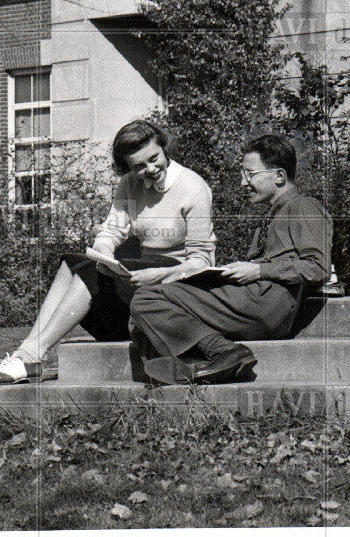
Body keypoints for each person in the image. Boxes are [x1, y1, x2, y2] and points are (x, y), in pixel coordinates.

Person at [0, 119, 216, 385]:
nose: (150, 169)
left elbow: (201, 261)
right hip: (141, 278)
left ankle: (32, 355)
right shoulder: (129, 184)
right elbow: (112, 231)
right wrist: (104, 252)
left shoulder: (193, 188)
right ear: (128, 167)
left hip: (175, 288)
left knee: (89, 274)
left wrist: (157, 274)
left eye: (154, 158)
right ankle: (27, 353)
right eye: (138, 166)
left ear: (164, 147)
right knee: (74, 263)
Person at [130, 134, 331, 385]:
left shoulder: (303, 207)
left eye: (250, 174)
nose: (243, 182)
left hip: (267, 301)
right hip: (257, 299)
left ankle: (223, 353)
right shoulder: (275, 213)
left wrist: (258, 271)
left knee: (148, 298)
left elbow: (318, 267)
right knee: (141, 318)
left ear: (279, 176)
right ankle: (199, 365)